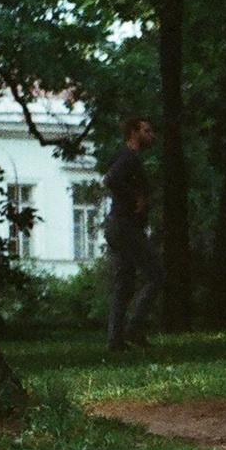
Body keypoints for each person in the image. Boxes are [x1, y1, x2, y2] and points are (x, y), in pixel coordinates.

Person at [102, 116, 162, 351]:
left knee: (124, 284)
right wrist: (134, 197)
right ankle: (134, 328)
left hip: (118, 226)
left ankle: (114, 340)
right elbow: (112, 180)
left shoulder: (126, 157)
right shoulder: (128, 157)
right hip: (124, 226)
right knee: (156, 275)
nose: (152, 135)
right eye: (147, 130)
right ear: (134, 133)